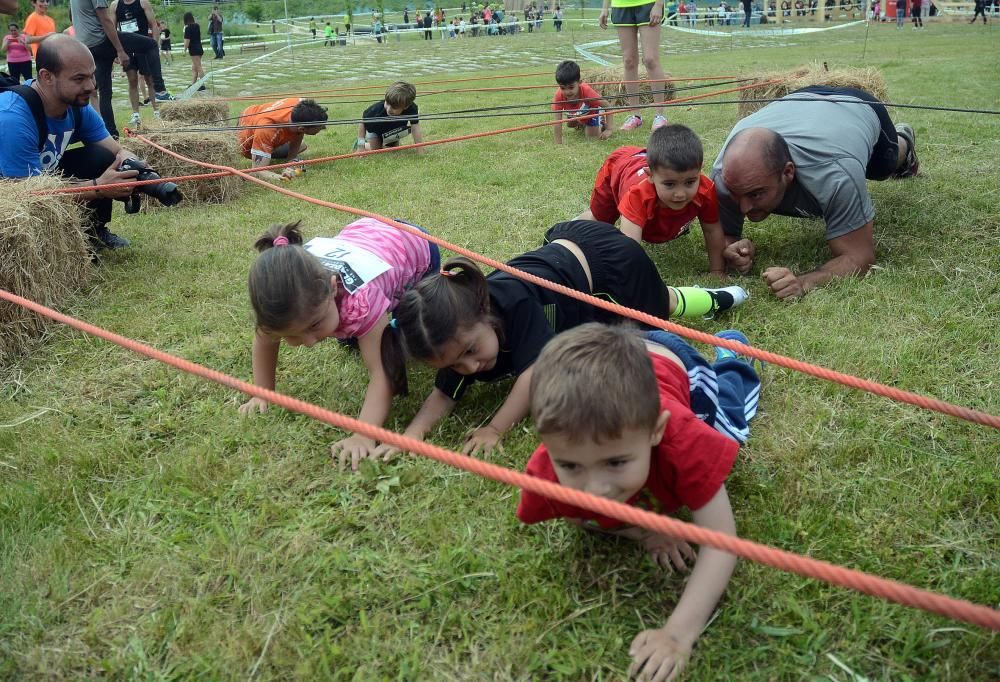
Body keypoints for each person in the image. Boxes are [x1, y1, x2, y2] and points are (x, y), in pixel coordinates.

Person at [374, 220, 749, 459]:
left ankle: (720, 297)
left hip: (606, 269)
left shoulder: (513, 302)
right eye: (455, 363)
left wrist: (494, 428)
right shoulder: (460, 331)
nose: (470, 368)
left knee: (654, 318)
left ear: (483, 310)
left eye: (471, 351)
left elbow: (534, 372)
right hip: (569, 272)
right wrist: (413, 435)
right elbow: (444, 392)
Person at [516, 323, 760, 681]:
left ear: (655, 431)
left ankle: (731, 357)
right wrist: (645, 531)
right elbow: (579, 517)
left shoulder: (680, 436)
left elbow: (722, 543)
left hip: (676, 363)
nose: (594, 489)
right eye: (570, 465)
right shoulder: (548, 470)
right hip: (620, 359)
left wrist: (677, 636)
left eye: (615, 462)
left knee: (731, 425)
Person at [241, 218, 441, 468]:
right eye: (292, 335)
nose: (311, 342)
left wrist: (363, 435)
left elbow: (383, 372)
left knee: (410, 335)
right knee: (355, 336)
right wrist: (262, 393)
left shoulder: (361, 299)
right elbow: (264, 337)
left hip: (415, 246)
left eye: (314, 325)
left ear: (333, 288)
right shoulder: (284, 298)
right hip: (368, 233)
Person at [710, 88, 919, 299]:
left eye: (755, 194)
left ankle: (904, 141)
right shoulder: (724, 177)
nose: (743, 208)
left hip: (853, 105)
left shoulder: (836, 174)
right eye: (736, 193)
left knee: (884, 167)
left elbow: (859, 257)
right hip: (794, 99)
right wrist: (733, 248)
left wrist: (804, 283)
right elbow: (726, 236)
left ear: (788, 172)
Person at [0, 34, 146, 249]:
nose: (91, 86)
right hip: (13, 188)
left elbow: (117, 151)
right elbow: (28, 195)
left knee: (105, 157)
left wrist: (137, 169)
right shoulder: (13, 118)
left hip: (38, 175)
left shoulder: (77, 105)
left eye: (92, 76)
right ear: (47, 76)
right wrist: (98, 187)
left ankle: (93, 233)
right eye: (79, 79)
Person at [579, 125, 727, 274]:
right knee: (600, 224)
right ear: (650, 175)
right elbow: (629, 250)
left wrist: (718, 270)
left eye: (690, 182)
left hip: (648, 163)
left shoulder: (705, 189)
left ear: (700, 170)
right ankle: (574, 224)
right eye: (670, 184)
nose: (680, 194)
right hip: (618, 168)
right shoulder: (637, 196)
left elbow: (712, 230)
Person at [70, 0, 172, 139]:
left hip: (88, 45)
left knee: (105, 93)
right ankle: (160, 91)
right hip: (102, 40)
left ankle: (111, 133)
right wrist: (120, 50)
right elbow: (105, 20)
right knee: (151, 45)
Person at [598, 0, 669, 132]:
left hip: (648, 3)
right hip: (621, 6)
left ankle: (660, 115)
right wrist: (605, 8)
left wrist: (659, 4)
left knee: (650, 59)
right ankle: (635, 115)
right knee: (628, 61)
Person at [238, 98, 328, 182]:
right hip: (246, 142)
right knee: (257, 169)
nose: (324, 127)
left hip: (254, 112)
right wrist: (283, 178)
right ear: (302, 129)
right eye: (320, 127)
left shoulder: (301, 103)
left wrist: (292, 160)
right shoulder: (267, 129)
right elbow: (257, 171)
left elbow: (299, 131)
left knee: (302, 146)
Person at [110, 0, 162, 127]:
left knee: (150, 80)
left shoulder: (143, 3)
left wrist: (154, 46)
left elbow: (154, 25)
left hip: (143, 47)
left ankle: (157, 111)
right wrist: (115, 51)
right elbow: (111, 29)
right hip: (127, 49)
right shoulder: (115, 5)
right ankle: (136, 114)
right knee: (132, 80)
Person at [551, 60, 614, 144]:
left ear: (579, 83)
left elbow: (607, 106)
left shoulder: (587, 91)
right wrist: (558, 143)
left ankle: (601, 121)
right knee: (570, 125)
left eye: (571, 87)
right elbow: (557, 122)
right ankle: (581, 121)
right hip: (577, 114)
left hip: (592, 112)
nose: (567, 92)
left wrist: (609, 129)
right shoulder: (559, 95)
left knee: (591, 138)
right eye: (563, 88)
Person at [357, 81, 424, 152]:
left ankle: (389, 144)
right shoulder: (375, 110)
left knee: (392, 150)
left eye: (394, 107)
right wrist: (361, 146)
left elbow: (415, 128)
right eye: (387, 103)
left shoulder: (412, 109)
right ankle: (365, 144)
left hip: (393, 131)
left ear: (406, 106)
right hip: (376, 131)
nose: (389, 109)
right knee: (376, 150)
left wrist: (419, 149)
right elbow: (362, 122)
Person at [182, 11, 205, 89]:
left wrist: (184, 50)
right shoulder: (197, 26)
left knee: (198, 67)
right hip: (199, 48)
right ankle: (193, 84)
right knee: (194, 67)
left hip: (193, 50)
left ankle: (202, 84)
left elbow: (187, 41)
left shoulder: (187, 28)